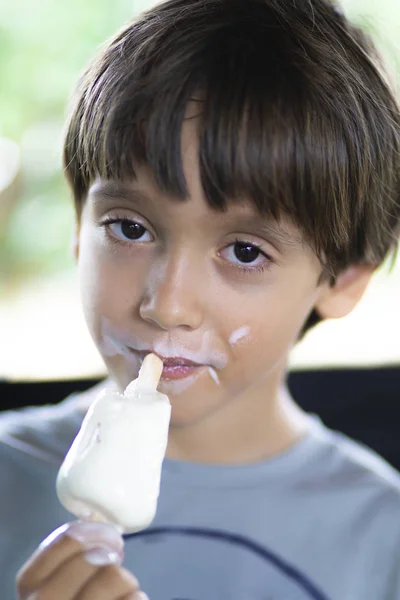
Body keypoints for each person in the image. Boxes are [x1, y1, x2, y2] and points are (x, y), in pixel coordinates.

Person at [1, 0, 400, 598]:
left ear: (342, 281)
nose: (167, 305)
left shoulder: (381, 534)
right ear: (78, 229)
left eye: (244, 252)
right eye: (130, 228)